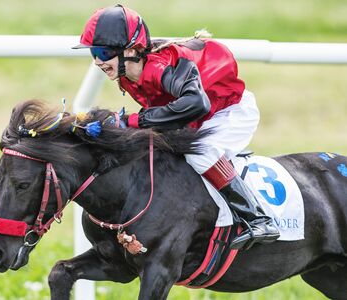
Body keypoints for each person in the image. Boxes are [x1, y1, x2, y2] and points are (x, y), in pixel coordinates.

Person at [73, 4, 279, 250]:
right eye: (93, 53)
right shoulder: (128, 72)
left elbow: (196, 104)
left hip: (229, 111)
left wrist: (131, 121)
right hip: (195, 117)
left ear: (130, 50)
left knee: (201, 152)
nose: (97, 61)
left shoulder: (159, 67)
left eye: (104, 52)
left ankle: (258, 219)